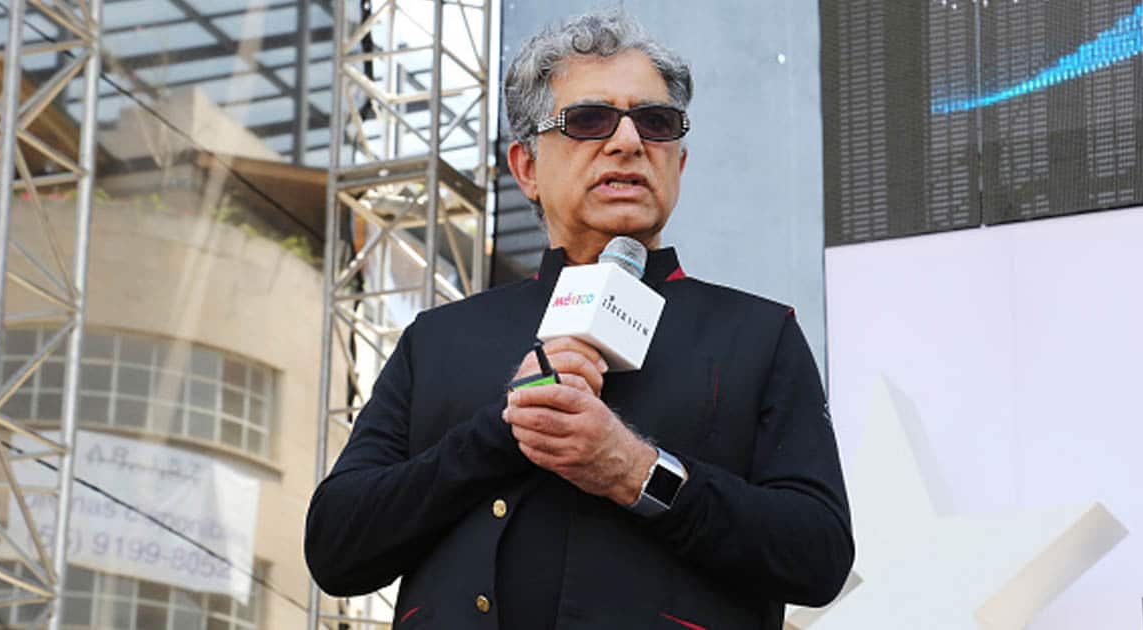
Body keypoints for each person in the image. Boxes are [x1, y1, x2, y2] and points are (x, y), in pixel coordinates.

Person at [304, 10, 853, 629]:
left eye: (656, 122)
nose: (628, 142)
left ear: (679, 162)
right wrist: (499, 432)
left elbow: (820, 555)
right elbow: (334, 548)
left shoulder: (758, 335)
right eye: (589, 121)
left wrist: (636, 471)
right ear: (527, 168)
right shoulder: (438, 340)